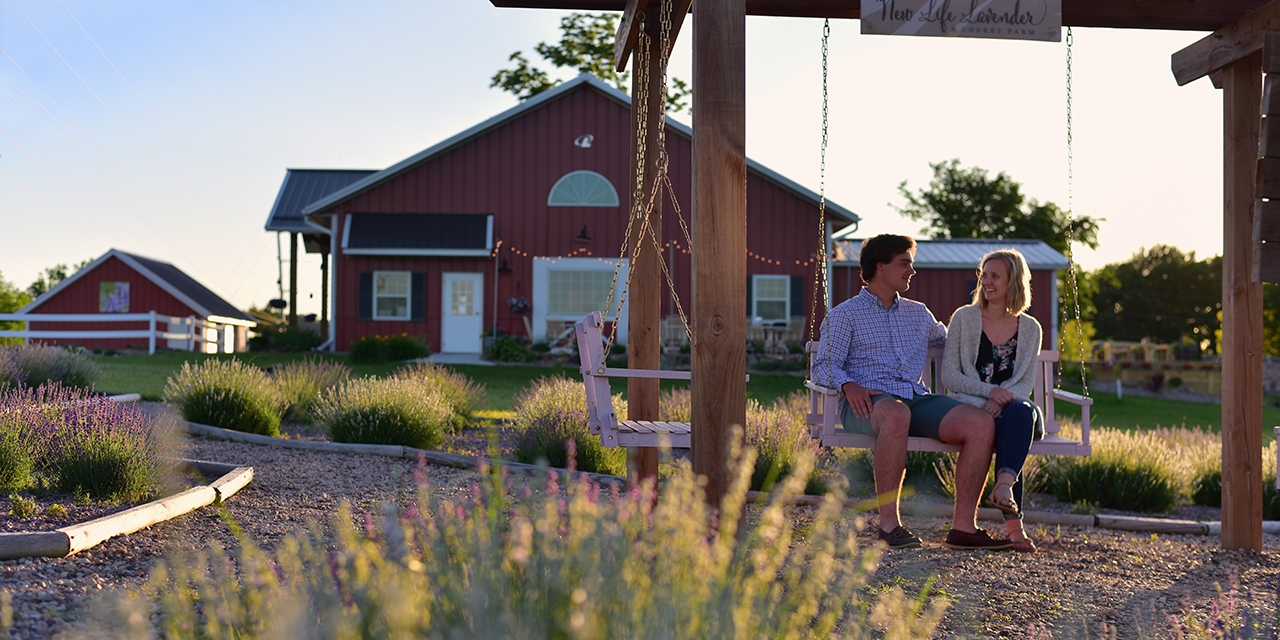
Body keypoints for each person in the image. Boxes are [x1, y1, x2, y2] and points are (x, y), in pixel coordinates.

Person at [815, 234, 1010, 550]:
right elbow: (823, 365)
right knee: (896, 413)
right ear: (881, 266)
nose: (911, 271)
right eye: (904, 263)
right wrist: (848, 386)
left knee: (980, 424)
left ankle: (963, 528)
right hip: (868, 404)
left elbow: (953, 343)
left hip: (916, 399)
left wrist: (998, 337)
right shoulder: (845, 314)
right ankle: (889, 525)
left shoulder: (919, 313)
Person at [941, 248, 1044, 553]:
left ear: (1014, 281)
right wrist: (989, 393)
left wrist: (1002, 400)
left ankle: (1002, 487)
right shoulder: (964, 318)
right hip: (972, 408)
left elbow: (1025, 383)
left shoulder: (1031, 328)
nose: (986, 281)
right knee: (1013, 428)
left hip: (1011, 410)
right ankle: (1015, 526)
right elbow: (950, 375)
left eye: (995, 276)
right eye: (984, 275)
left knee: (1020, 415)